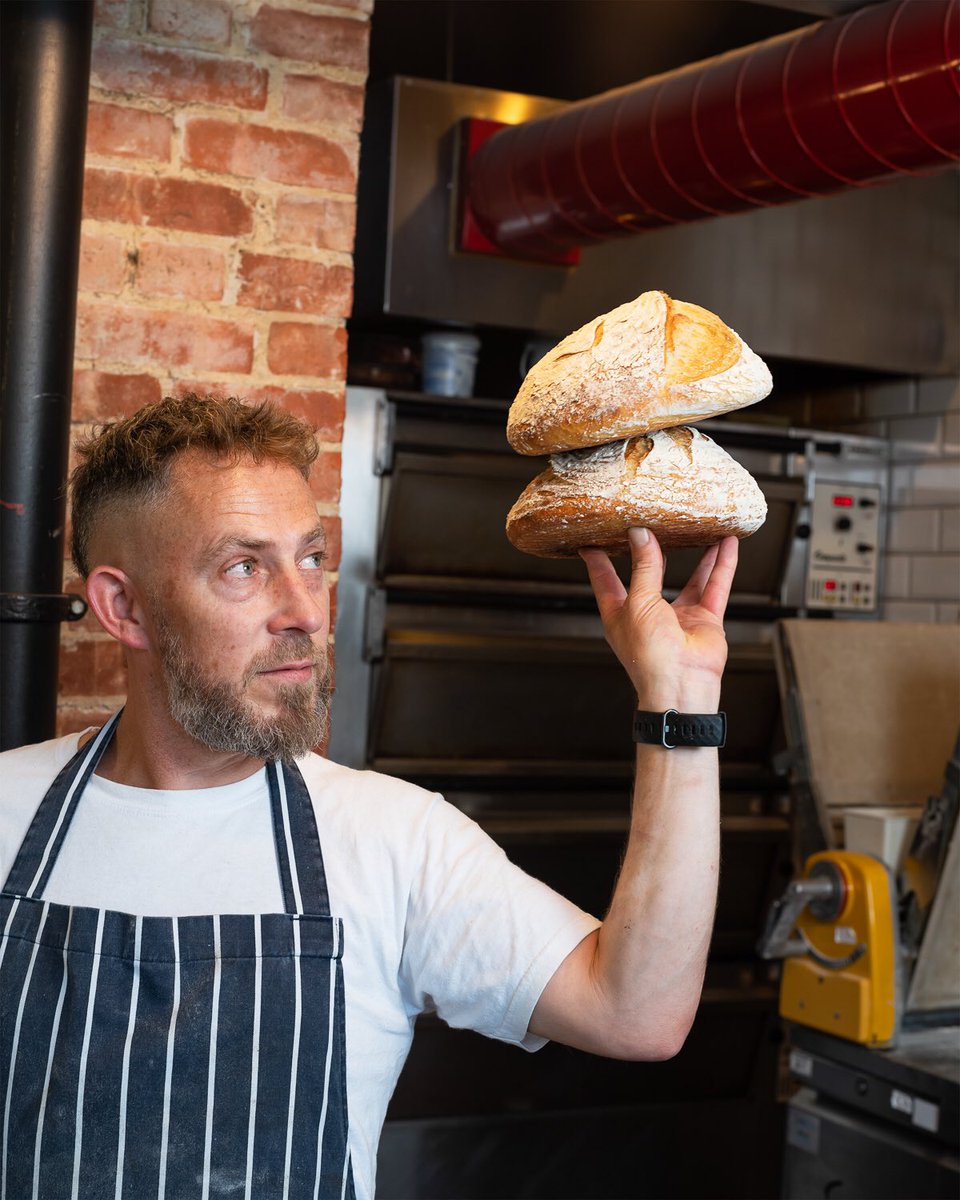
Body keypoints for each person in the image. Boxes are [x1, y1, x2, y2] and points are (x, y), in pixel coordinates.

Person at [0, 393, 737, 1200]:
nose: (307, 611)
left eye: (311, 558)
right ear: (123, 607)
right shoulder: (6, 806)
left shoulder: (393, 837)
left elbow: (637, 1014)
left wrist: (682, 698)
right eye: (244, 567)